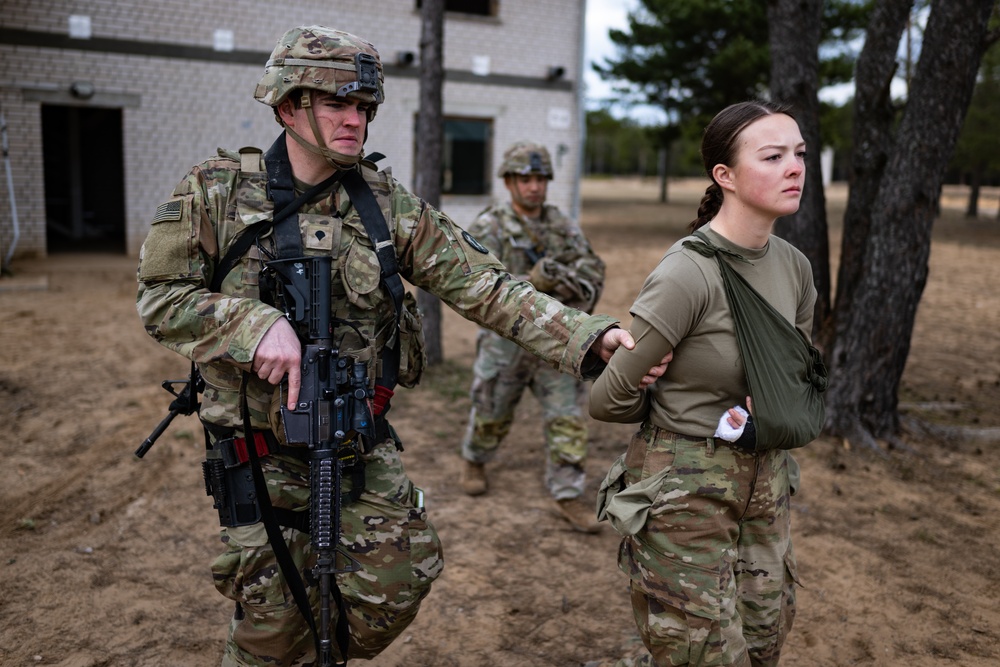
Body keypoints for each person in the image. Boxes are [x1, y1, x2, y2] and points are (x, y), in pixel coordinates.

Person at [136, 26, 665, 667]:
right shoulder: (217, 193)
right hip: (258, 449)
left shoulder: (385, 205)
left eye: (363, 107)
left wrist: (589, 335)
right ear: (286, 106)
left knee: (399, 583)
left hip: (358, 438)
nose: (354, 120)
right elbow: (160, 297)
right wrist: (252, 326)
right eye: (335, 104)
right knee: (273, 625)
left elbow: (487, 286)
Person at [589, 100, 815, 667]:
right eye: (773, 156)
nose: (795, 168)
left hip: (766, 475)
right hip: (686, 483)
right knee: (701, 649)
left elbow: (801, 371)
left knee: (765, 638)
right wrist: (649, 381)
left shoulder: (794, 267)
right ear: (726, 176)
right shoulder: (687, 274)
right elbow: (607, 398)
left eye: (799, 154)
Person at [458, 141, 606, 533]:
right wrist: (531, 284)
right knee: (491, 409)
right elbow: (473, 285)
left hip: (555, 342)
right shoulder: (490, 226)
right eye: (525, 178)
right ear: (509, 182)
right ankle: (475, 458)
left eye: (540, 178)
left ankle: (568, 494)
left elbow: (593, 271)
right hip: (504, 343)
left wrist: (567, 283)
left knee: (568, 417)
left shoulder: (561, 225)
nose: (534, 187)